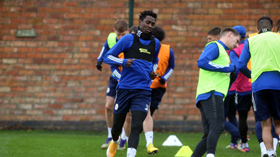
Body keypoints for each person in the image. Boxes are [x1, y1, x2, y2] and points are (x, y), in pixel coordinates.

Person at [104, 10, 160, 157]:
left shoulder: (156, 43)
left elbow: (155, 61)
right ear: (140, 22)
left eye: (152, 24)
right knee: (117, 127)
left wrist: (152, 72)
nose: (150, 26)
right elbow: (107, 57)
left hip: (143, 90)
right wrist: (123, 61)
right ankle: (115, 141)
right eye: (147, 22)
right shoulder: (128, 39)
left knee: (136, 125)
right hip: (124, 89)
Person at [192, 28, 240, 157]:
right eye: (237, 40)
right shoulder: (215, 45)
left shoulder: (224, 52)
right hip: (211, 92)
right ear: (229, 34)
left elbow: (221, 73)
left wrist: (231, 74)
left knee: (209, 133)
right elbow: (202, 62)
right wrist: (228, 68)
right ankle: (211, 155)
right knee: (218, 126)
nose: (237, 45)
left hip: (208, 94)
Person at [238, 16, 280, 157]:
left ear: (257, 30)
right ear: (272, 28)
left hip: (259, 87)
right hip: (278, 85)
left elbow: (240, 65)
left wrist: (252, 75)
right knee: (279, 123)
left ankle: (270, 152)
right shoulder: (278, 37)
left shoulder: (251, 40)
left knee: (265, 125)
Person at [95, 19, 129, 150]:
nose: (120, 37)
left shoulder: (131, 40)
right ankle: (110, 136)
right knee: (108, 106)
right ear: (114, 31)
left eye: (123, 34)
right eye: (118, 34)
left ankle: (124, 138)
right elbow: (104, 49)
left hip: (128, 80)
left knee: (127, 112)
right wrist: (99, 60)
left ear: (127, 31)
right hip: (116, 78)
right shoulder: (110, 38)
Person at [142, 25, 175, 155]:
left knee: (152, 110)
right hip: (147, 86)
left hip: (159, 87)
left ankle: (142, 130)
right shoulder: (145, 49)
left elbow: (171, 67)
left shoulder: (168, 50)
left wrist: (164, 78)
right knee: (146, 112)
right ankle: (143, 137)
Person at [207, 27, 241, 151]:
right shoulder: (231, 49)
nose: (208, 41)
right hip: (233, 89)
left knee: (220, 119)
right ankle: (234, 141)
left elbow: (234, 67)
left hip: (224, 90)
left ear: (217, 38)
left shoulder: (221, 49)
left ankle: (238, 133)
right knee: (231, 116)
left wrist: (229, 72)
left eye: (210, 39)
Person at [228, 25, 251, 152]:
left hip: (242, 88)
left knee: (242, 117)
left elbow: (236, 67)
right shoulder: (252, 45)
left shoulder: (235, 50)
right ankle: (267, 147)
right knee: (262, 118)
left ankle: (244, 144)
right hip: (256, 86)